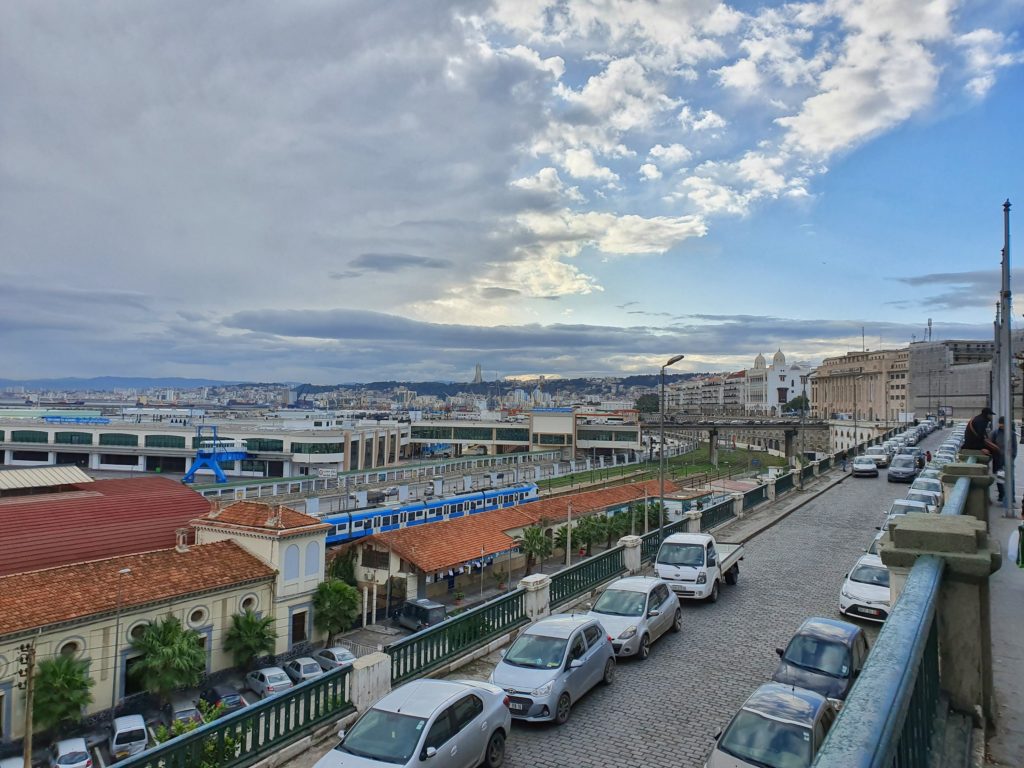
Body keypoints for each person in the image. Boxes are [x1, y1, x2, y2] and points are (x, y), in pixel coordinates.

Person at [992, 416, 1017, 501]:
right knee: (1000, 478)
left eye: (1003, 424)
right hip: (999, 460)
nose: (1001, 426)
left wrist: (1012, 457)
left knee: (1010, 479)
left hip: (1009, 460)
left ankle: (1011, 497)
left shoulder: (1012, 433)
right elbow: (991, 445)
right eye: (1001, 424)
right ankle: (1002, 495)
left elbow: (1014, 447)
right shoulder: (995, 433)